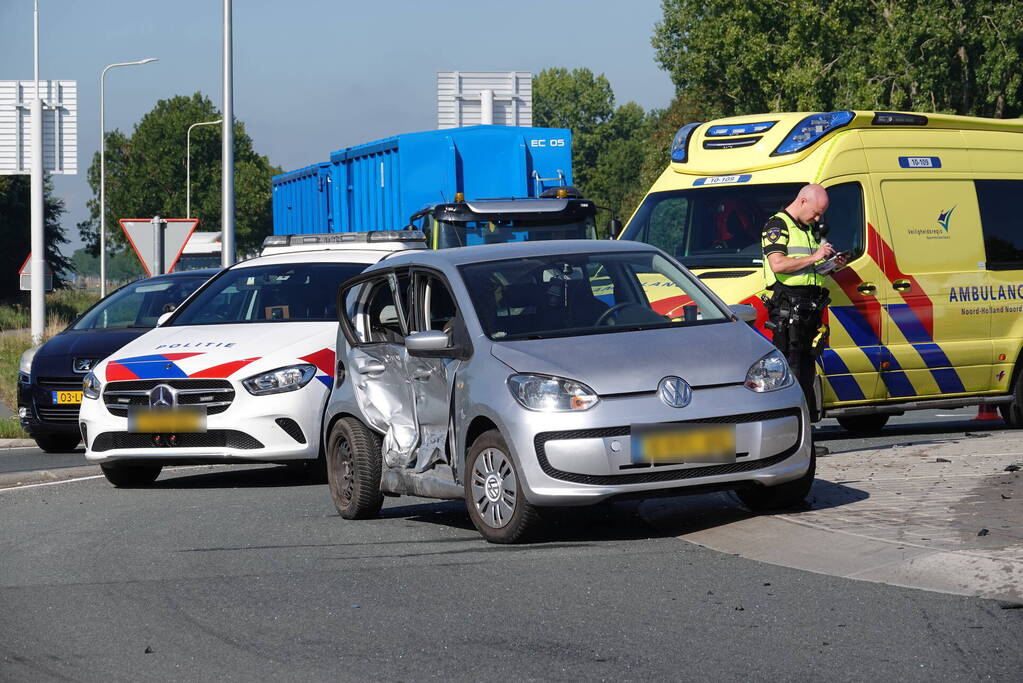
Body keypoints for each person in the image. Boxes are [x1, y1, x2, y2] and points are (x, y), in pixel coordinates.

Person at [761, 184, 845, 420]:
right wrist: (815, 256)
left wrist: (831, 265)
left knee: (807, 370)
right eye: (816, 213)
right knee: (793, 368)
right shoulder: (777, 225)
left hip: (809, 309)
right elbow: (778, 264)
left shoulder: (807, 229)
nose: (817, 219)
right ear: (803, 201)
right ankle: (793, 427)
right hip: (788, 309)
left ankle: (807, 428)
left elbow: (809, 270)